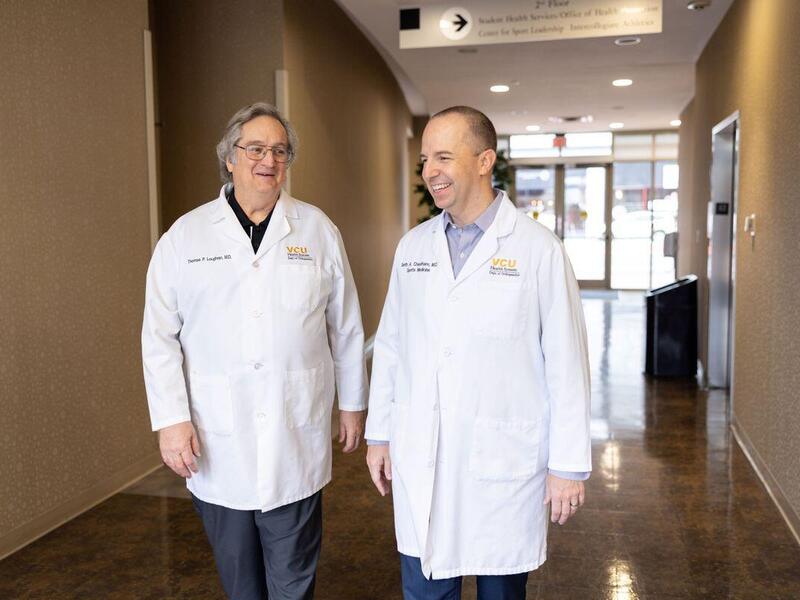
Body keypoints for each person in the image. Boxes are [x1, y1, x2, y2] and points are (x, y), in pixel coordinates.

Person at [142, 102, 367, 600]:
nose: (269, 160)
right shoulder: (186, 236)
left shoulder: (317, 230)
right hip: (217, 437)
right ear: (230, 158)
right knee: (242, 583)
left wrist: (351, 405)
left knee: (293, 579)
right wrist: (171, 420)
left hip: (296, 434)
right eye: (256, 149)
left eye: (280, 151)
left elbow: (346, 326)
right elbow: (158, 336)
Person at [365, 106, 591, 600]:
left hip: (503, 460)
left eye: (444, 157)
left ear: (485, 160)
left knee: (500, 591)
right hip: (422, 453)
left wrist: (568, 465)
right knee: (425, 588)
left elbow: (567, 363)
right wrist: (379, 434)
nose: (430, 171)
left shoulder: (538, 250)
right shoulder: (413, 248)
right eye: (425, 159)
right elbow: (391, 346)